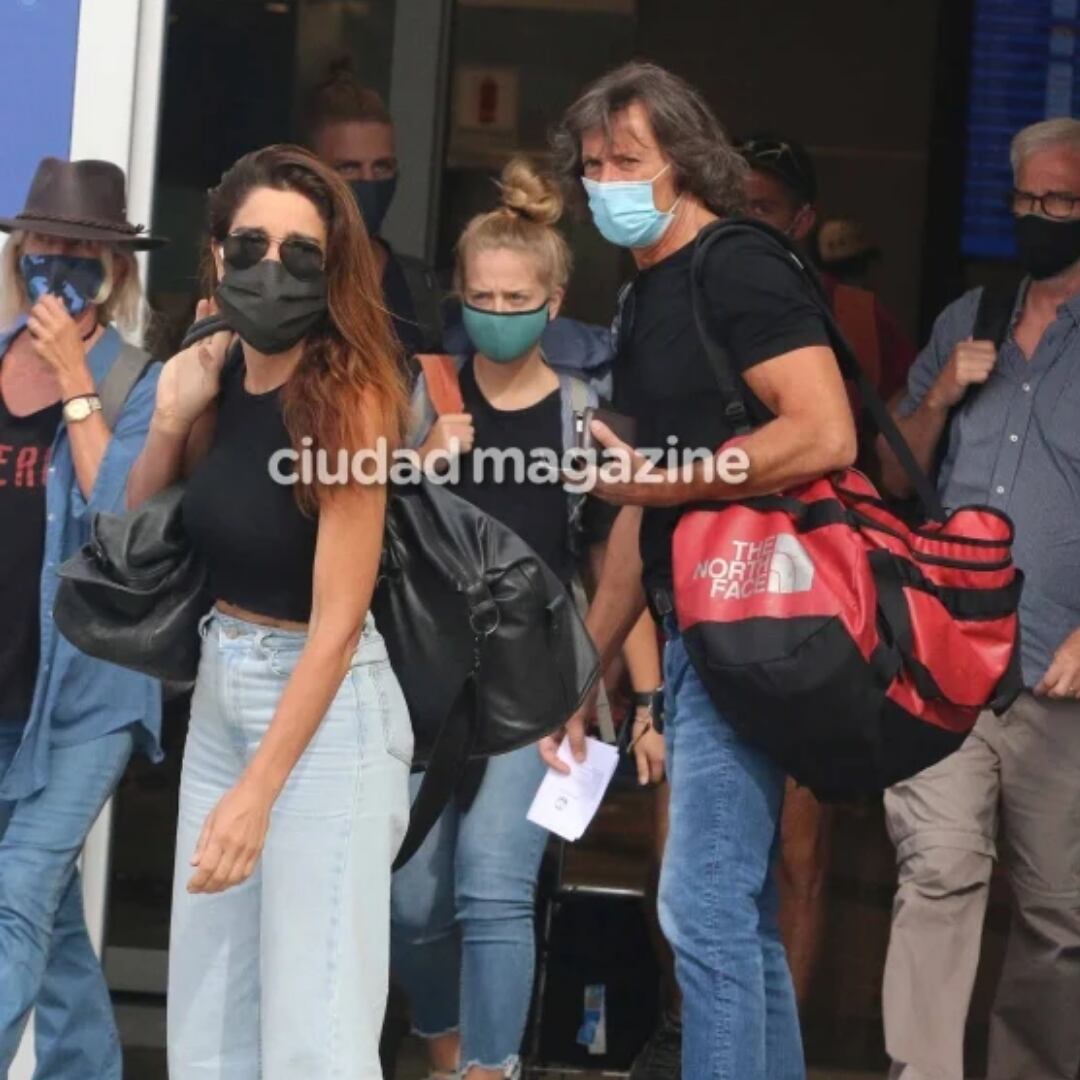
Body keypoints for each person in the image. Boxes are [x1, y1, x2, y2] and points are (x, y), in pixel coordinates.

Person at [543, 62, 856, 1079]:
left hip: (758, 623)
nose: (607, 183)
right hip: (699, 630)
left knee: (705, 907)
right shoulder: (646, 298)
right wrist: (581, 674)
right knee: (737, 914)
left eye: (627, 160)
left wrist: (673, 482)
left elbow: (824, 431)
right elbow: (639, 511)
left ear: (686, 160)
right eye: (592, 166)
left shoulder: (737, 265)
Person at [126, 144, 413, 1079]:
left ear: (335, 271)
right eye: (251, 244)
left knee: (314, 1044)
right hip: (223, 687)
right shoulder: (214, 371)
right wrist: (171, 417)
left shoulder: (353, 398)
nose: (271, 270)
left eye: (301, 253)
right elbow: (138, 538)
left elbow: (338, 619)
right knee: (209, 1032)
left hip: (327, 715)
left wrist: (258, 791)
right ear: (215, 254)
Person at [392, 156, 664, 1080]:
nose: (496, 312)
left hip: (537, 689)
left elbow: (613, 567)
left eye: (516, 298)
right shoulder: (423, 396)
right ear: (457, 301)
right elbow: (355, 532)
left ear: (553, 305)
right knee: (411, 901)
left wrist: (640, 698)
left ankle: (489, 1070)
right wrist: (418, 462)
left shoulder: (583, 417)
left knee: (494, 888)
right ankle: (444, 1045)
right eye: (480, 296)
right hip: (420, 684)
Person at [876, 117, 1080, 1080]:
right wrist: (939, 399)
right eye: (1028, 200)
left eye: (1063, 203)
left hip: (1062, 673)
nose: (1041, 217)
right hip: (949, 660)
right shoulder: (970, 318)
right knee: (939, 871)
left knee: (1058, 914)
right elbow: (893, 471)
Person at [735, 132, 917, 1009]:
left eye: (763, 209)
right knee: (691, 857)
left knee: (801, 853)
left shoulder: (856, 318)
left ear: (803, 220)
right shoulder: (683, 299)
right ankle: (697, 1039)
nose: (745, 226)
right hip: (711, 591)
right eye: (732, 208)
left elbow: (894, 467)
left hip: (820, 600)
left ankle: (785, 1046)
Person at [0, 157, 163, 1079]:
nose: (57, 260)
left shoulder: (141, 381)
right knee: (49, 917)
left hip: (86, 695)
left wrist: (74, 379)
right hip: (2, 682)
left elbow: (126, 523)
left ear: (115, 267)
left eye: (82, 248)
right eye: (45, 242)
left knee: (17, 893)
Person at [308, 58, 443, 366]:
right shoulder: (283, 279)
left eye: (381, 167)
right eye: (349, 168)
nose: (368, 181)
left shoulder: (418, 285)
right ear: (314, 173)